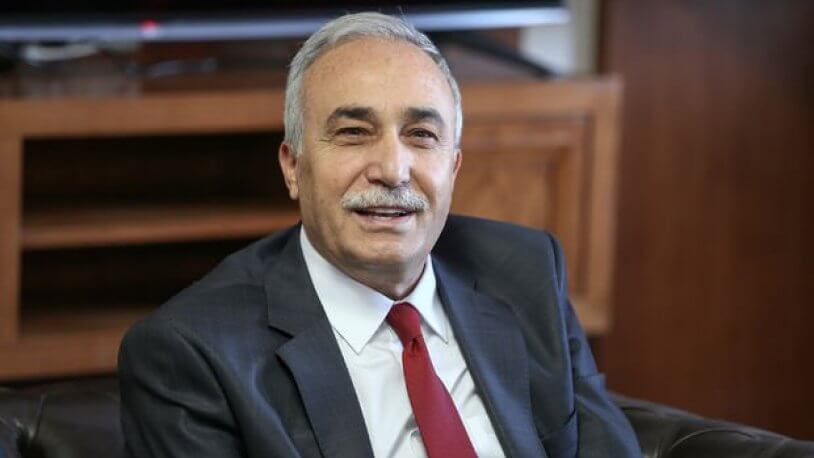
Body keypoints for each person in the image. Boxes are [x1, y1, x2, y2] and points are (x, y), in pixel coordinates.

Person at [118, 12, 641, 458]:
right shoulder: (192, 353)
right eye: (353, 133)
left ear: (453, 168)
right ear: (293, 166)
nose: (392, 169)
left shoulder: (526, 271)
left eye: (421, 135)